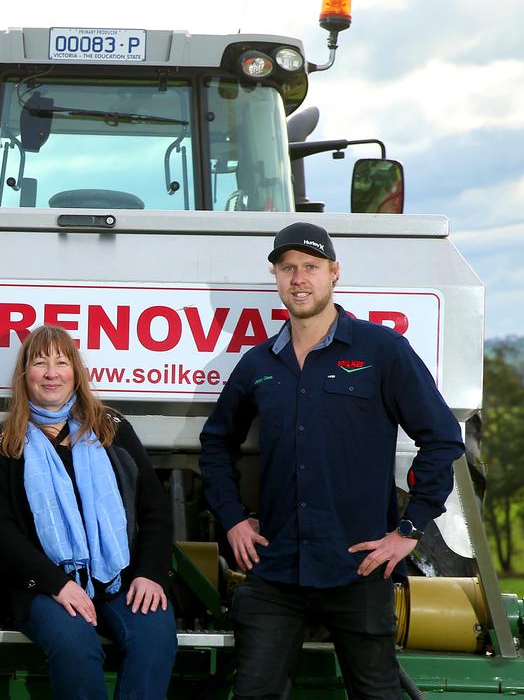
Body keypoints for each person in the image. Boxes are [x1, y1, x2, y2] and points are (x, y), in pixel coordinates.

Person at [199, 221, 464, 700]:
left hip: (358, 567)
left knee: (376, 694)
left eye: (311, 267)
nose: (299, 278)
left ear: (334, 273)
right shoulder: (258, 364)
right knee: (253, 693)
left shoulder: (381, 350)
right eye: (288, 268)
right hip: (276, 567)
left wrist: (410, 530)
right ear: (276, 277)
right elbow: (216, 444)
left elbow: (443, 438)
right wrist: (234, 520)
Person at [0, 324, 177, 700]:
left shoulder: (111, 429)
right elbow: (1, 534)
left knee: (155, 640)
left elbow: (154, 509)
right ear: (25, 375)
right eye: (40, 363)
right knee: (77, 649)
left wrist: (150, 574)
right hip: (45, 588)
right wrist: (57, 584)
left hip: (120, 579)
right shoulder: (3, 443)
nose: (52, 373)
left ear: (76, 372)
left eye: (61, 362)